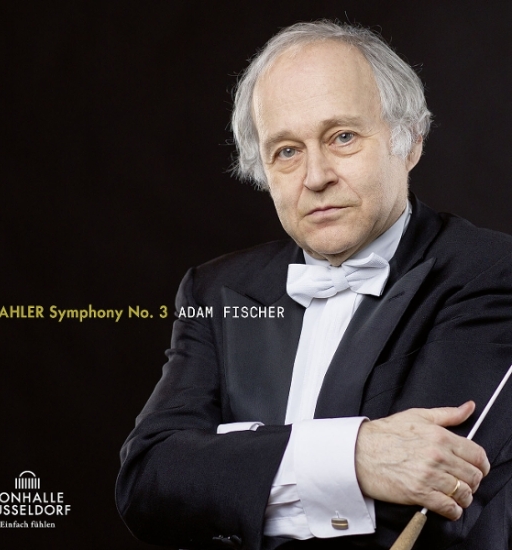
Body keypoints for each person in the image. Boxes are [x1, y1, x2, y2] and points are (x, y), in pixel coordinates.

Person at [116, 20, 512, 550]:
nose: (316, 176)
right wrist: (355, 457)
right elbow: (150, 483)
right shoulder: (215, 290)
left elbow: (424, 504)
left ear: (410, 140)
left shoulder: (492, 271)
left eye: (342, 137)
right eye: (286, 151)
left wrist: (233, 463)